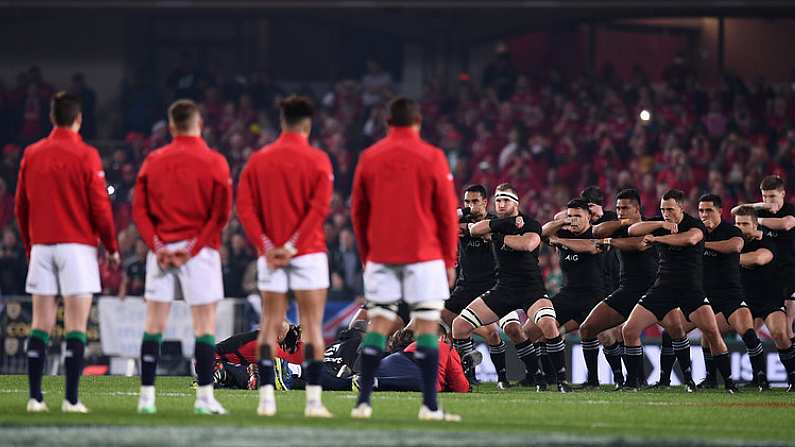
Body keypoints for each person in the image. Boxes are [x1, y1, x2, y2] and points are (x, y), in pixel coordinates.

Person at [350, 97, 460, 421]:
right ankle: (429, 406)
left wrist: (365, 254)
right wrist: (449, 260)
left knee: (380, 322)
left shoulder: (369, 157)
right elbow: (446, 214)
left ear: (387, 123)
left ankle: (363, 403)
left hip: (382, 254)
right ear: (418, 122)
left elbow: (358, 212)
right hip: (424, 254)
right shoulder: (433, 156)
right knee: (426, 326)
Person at [16, 91, 119, 413]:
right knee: (76, 325)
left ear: (51, 118)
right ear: (79, 119)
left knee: (40, 324)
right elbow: (100, 206)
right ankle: (71, 400)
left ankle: (35, 398)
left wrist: (29, 245)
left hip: (43, 246)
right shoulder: (86, 154)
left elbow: (21, 206)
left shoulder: (32, 153)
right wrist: (112, 246)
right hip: (77, 247)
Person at [132, 99, 232, 414]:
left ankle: (146, 398)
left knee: (153, 325)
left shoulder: (153, 160)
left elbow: (139, 210)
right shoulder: (215, 161)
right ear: (198, 124)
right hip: (199, 254)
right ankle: (204, 398)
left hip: (161, 250)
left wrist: (158, 246)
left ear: (172, 126)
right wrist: (191, 249)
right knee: (204, 326)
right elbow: (220, 215)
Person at [236, 96, 334, 418]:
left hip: (270, 254)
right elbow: (318, 209)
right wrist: (292, 245)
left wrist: (267, 246)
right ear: (307, 124)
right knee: (312, 327)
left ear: (282, 122)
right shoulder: (318, 159)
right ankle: (314, 403)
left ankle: (266, 399)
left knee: (268, 325)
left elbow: (245, 209)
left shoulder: (258, 160)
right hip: (308, 253)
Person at [452, 183, 567, 393]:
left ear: (516, 203)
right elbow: (473, 228)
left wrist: (497, 236)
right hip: (503, 288)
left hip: (530, 288)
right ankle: (468, 377)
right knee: (459, 326)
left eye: (505, 200)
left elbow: (528, 244)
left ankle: (560, 381)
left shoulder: (529, 223)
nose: (501, 204)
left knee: (548, 325)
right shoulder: (495, 222)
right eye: (498, 200)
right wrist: (473, 213)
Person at [623, 189, 737, 393]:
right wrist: (660, 225)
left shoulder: (695, 225)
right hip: (662, 288)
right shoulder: (661, 223)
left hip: (690, 288)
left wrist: (657, 239)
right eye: (662, 209)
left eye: (669, 209)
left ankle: (729, 383)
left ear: (681, 207)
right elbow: (632, 230)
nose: (666, 213)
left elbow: (689, 240)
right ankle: (632, 383)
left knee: (711, 332)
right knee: (629, 330)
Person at [586, 189, 658, 389]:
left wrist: (610, 241)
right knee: (588, 328)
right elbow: (596, 232)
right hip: (626, 289)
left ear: (637, 209)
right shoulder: (618, 226)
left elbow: (639, 244)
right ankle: (617, 379)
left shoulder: (650, 225)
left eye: (625, 208)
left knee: (676, 331)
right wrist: (623, 223)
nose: (620, 211)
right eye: (617, 208)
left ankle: (668, 378)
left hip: (654, 290)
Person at [697, 194, 767, 389]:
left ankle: (761, 379)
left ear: (720, 211)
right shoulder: (698, 231)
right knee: (707, 333)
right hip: (707, 295)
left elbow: (735, 246)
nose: (704, 214)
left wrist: (702, 245)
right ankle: (711, 379)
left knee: (747, 332)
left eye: (709, 210)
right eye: (701, 210)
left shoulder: (731, 230)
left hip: (731, 294)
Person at [445, 184, 509, 388]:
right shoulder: (461, 220)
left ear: (485, 202)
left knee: (492, 333)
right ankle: (467, 373)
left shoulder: (495, 222)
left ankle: (503, 378)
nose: (470, 206)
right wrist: (464, 213)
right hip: (465, 286)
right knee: (441, 315)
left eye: (474, 202)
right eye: (466, 202)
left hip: (491, 285)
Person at [542, 198, 605, 388]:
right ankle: (551, 378)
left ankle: (608, 379)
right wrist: (563, 221)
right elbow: (542, 233)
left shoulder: (596, 232)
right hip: (568, 294)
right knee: (544, 325)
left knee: (602, 335)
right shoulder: (563, 230)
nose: (574, 220)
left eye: (578, 215)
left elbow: (590, 248)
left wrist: (561, 241)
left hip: (594, 295)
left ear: (589, 217)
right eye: (571, 216)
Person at [734, 206, 795, 391]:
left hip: (770, 299)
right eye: (737, 224)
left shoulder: (768, 242)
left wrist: (727, 258)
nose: (740, 227)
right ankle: (759, 379)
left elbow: (758, 259)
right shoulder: (734, 242)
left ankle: (792, 378)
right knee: (746, 336)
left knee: (780, 334)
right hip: (746, 299)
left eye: (745, 224)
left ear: (755, 225)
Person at [732, 176, 795, 342]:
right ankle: (753, 353)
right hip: (765, 274)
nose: (768, 201)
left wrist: (756, 220)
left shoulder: (790, 210)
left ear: (783, 194)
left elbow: (785, 224)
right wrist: (759, 206)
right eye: (764, 196)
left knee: (787, 328)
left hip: (788, 272)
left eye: (772, 196)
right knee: (751, 327)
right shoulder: (761, 209)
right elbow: (734, 211)